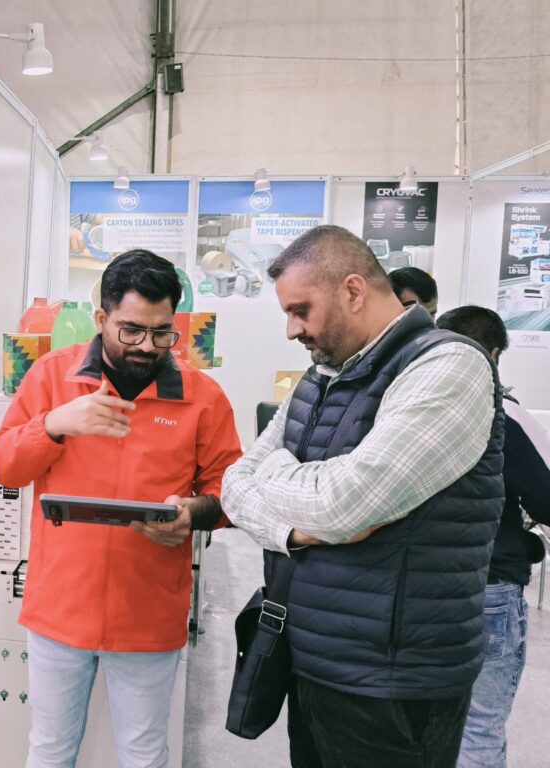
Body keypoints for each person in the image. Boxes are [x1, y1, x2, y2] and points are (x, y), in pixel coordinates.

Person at [222, 225, 504, 768]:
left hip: (393, 684)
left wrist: (275, 471)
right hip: (312, 661)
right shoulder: (321, 377)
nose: (291, 329)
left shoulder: (449, 366)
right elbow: (235, 486)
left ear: (353, 290)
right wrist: (290, 532)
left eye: (300, 310)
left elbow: (343, 506)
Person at [0, 249, 242, 768]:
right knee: (50, 751)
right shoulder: (52, 377)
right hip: (60, 607)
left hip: (148, 611)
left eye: (161, 332)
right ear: (101, 317)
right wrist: (54, 425)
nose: (147, 346)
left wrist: (193, 513)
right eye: (131, 330)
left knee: (144, 755)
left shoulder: (202, 397)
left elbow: (233, 490)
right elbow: (5, 467)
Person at [435, 306, 550, 768]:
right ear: (495, 354)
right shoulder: (500, 414)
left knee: (421, 724)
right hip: (488, 584)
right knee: (478, 728)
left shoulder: (401, 411)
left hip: (414, 589)